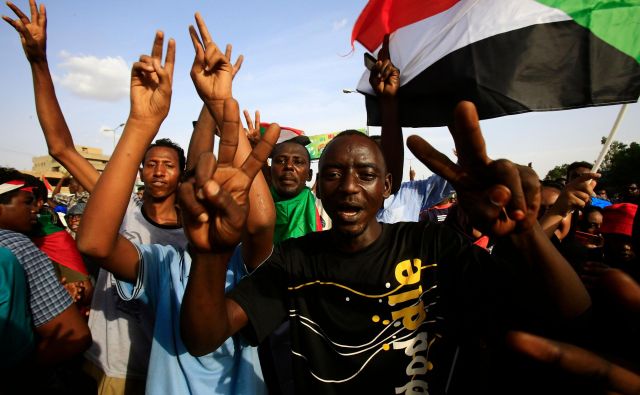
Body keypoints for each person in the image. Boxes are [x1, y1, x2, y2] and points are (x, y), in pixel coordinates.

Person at [180, 101, 591, 394]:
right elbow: (203, 337)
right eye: (334, 174)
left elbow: (570, 310)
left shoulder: (433, 246)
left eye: (365, 174)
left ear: (387, 187)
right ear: (319, 187)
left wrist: (524, 237)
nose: (348, 187)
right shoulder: (295, 260)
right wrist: (211, 256)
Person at [77, 14, 276, 395]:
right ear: (180, 208)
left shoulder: (243, 264)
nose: (208, 200)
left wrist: (220, 102)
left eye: (222, 193)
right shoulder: (163, 263)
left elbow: (262, 222)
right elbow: (95, 244)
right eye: (196, 192)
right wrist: (140, 123)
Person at [0, 167, 91, 390]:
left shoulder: (44, 235)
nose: (36, 209)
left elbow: (84, 287)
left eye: (38, 201)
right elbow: (74, 336)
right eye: (28, 202)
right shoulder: (19, 245)